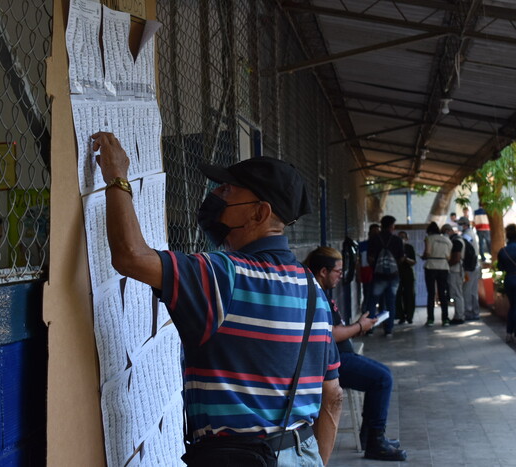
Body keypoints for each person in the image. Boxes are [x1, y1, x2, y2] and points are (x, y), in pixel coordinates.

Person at [92, 132, 343, 466]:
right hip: (302, 453)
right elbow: (333, 397)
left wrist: (117, 179)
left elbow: (131, 257)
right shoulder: (314, 291)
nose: (215, 196)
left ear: (259, 213)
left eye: (227, 190)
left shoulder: (224, 276)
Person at [305, 246, 408, 462]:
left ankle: (370, 435)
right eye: (338, 271)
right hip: (332, 362)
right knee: (382, 379)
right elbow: (330, 334)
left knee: (382, 374)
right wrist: (360, 327)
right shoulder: (312, 292)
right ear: (323, 271)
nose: (341, 275)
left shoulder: (320, 290)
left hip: (342, 356)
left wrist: (360, 325)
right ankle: (375, 442)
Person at [367, 215, 404, 337]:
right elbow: (401, 258)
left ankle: (370, 328)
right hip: (393, 276)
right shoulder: (397, 240)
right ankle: (388, 329)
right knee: (390, 303)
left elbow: (370, 259)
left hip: (378, 276)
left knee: (372, 302)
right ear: (391, 226)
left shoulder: (374, 239)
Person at [422, 222, 452, 326]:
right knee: (442, 293)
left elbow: (428, 253)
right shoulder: (447, 240)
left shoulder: (429, 238)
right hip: (443, 266)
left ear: (429, 231)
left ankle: (430, 319)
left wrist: (423, 256)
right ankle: (445, 319)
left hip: (431, 266)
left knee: (431, 293)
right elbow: (449, 257)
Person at [441, 224, 465, 325]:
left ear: (448, 231)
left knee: (457, 294)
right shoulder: (458, 239)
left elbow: (456, 258)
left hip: (455, 271)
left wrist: (447, 265)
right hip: (457, 270)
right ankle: (459, 315)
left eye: (443, 232)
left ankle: (459, 316)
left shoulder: (456, 241)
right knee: (457, 294)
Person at [458, 217, 481, 320]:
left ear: (464, 225)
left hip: (469, 267)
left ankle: (468, 312)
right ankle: (475, 312)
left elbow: (465, 251)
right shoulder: (473, 233)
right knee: (473, 290)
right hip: (475, 265)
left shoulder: (466, 236)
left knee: (467, 290)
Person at [358, 224, 380, 315]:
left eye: (377, 232)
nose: (375, 234)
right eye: (373, 231)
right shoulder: (362, 245)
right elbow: (358, 261)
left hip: (379, 273)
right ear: (369, 233)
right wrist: (358, 275)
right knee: (367, 294)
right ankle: (366, 314)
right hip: (366, 273)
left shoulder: (382, 245)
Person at [396, 231, 416, 325]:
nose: (402, 239)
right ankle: (401, 316)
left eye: (404, 237)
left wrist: (406, 259)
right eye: (400, 237)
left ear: (407, 238)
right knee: (398, 295)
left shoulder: (409, 248)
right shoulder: (394, 247)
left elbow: (413, 261)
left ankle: (409, 316)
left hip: (407, 273)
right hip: (396, 273)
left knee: (409, 295)